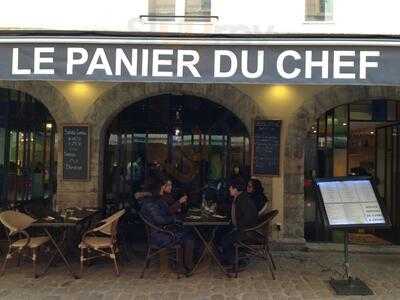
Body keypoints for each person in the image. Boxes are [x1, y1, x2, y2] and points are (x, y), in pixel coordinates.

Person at [140, 178, 194, 272]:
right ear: (156, 190)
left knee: (187, 233)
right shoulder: (150, 204)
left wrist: (178, 217)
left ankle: (183, 265)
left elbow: (168, 212)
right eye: (162, 188)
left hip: (164, 231)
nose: (163, 189)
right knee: (188, 238)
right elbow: (160, 220)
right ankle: (185, 267)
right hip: (159, 235)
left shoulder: (157, 200)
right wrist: (175, 219)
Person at [216, 178, 258, 267]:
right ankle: (226, 259)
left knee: (225, 239)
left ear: (235, 189)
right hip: (241, 228)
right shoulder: (239, 197)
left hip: (246, 231)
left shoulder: (244, 200)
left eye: (230, 188)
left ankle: (236, 263)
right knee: (219, 232)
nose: (229, 189)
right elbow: (233, 210)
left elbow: (248, 218)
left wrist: (236, 228)